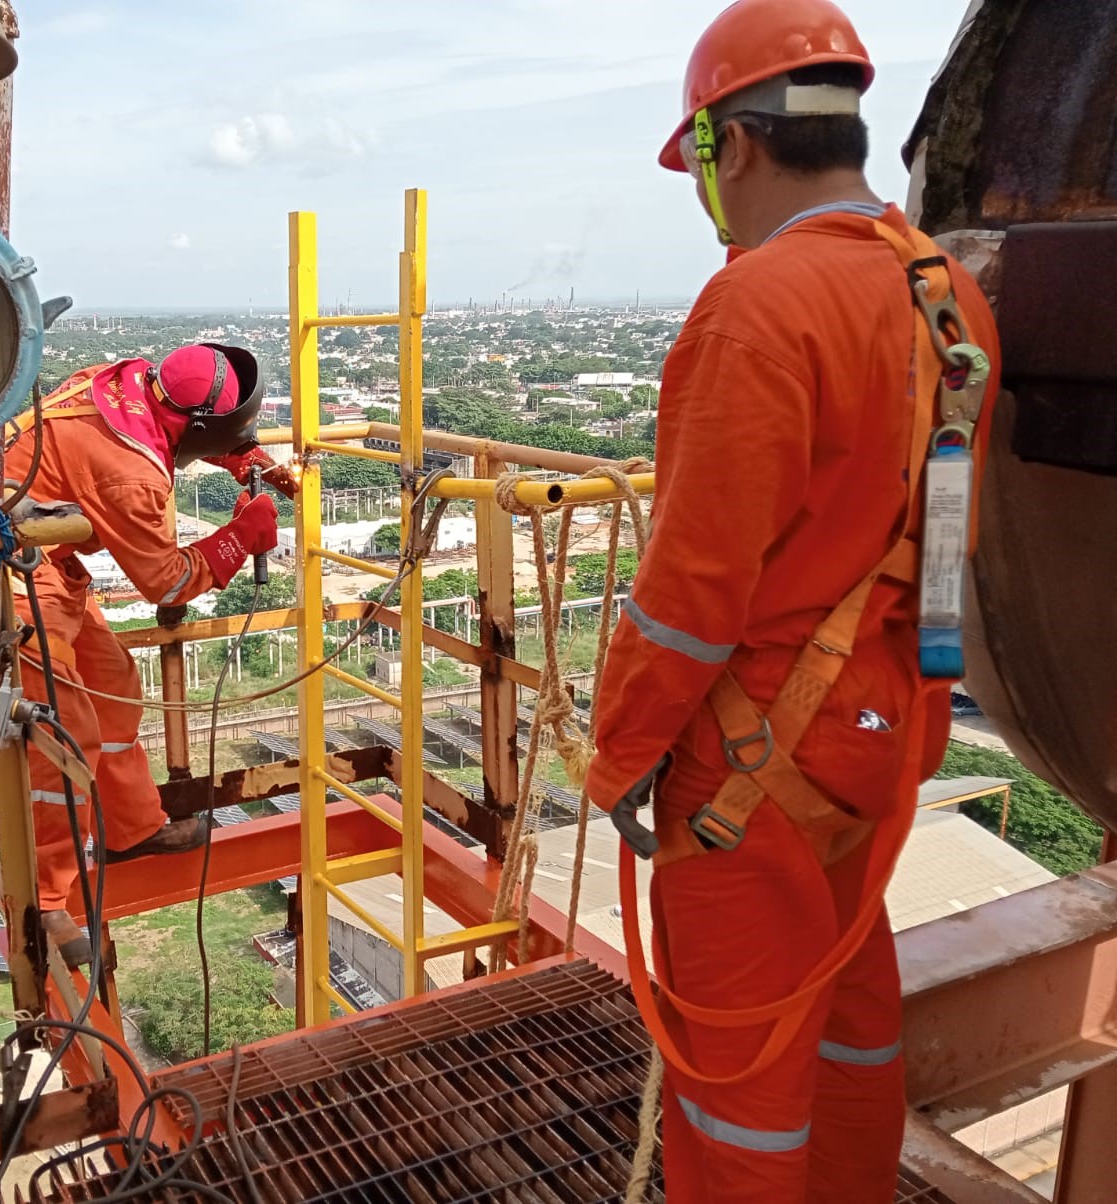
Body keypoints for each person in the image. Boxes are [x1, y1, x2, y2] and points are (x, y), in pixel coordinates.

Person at [584, 3, 1000, 1201]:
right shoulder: (948, 297)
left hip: (751, 759)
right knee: (850, 1026)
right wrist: (912, 718)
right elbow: (949, 544)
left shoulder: (760, 305)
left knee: (741, 1090)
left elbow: (690, 594)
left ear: (730, 146)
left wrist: (619, 759)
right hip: (883, 735)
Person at [0, 344, 284, 968]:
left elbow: (181, 420)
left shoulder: (127, 379)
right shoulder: (132, 475)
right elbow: (167, 582)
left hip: (45, 556)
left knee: (115, 683)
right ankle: (43, 898)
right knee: (62, 727)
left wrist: (240, 453)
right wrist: (238, 539)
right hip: (2, 569)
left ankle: (129, 830)